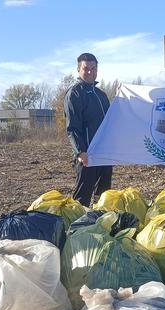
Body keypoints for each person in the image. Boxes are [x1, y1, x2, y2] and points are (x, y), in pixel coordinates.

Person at [65, 52, 112, 206]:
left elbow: (110, 123)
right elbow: (72, 128)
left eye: (93, 68)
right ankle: (76, 227)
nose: (90, 72)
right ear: (79, 70)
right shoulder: (75, 94)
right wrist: (80, 151)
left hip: (104, 154)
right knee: (82, 199)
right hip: (87, 155)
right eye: (86, 69)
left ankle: (100, 225)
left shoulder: (101, 95)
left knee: (103, 197)